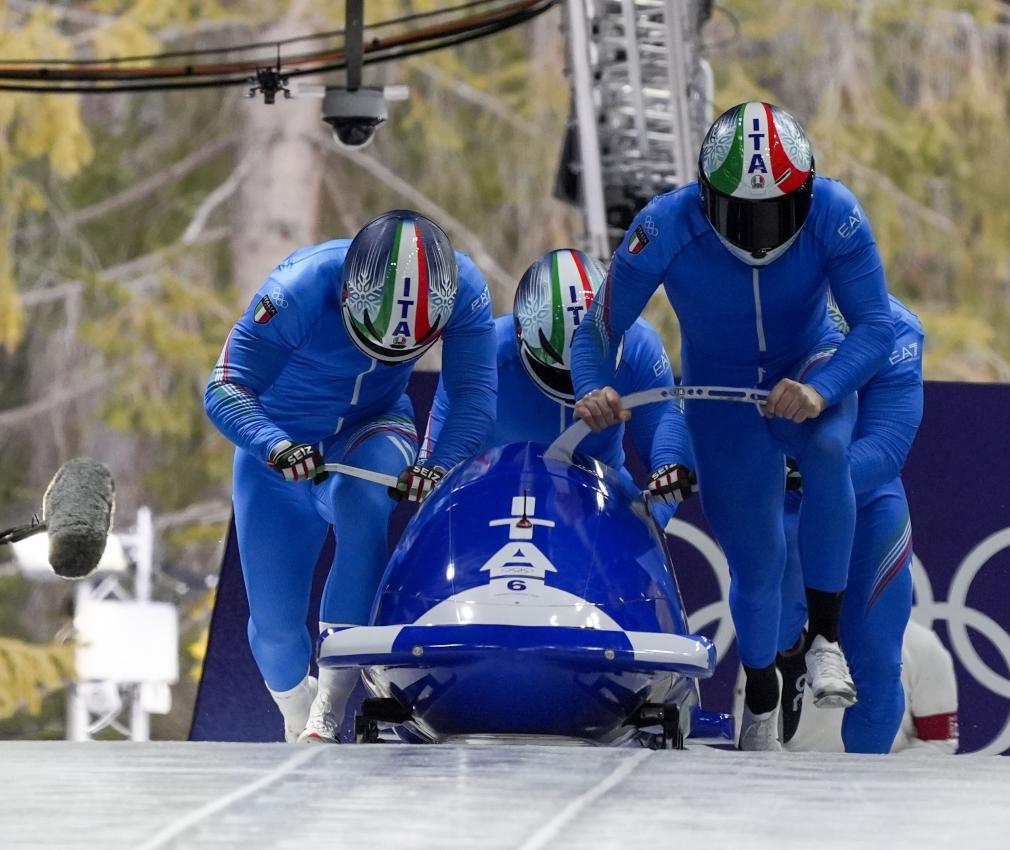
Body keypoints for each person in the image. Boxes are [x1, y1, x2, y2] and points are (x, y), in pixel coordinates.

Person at [571, 101, 895, 750]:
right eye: (741, 215)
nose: (759, 235)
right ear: (706, 199)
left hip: (807, 365)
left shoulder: (836, 212)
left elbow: (875, 329)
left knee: (829, 446)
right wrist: (593, 387)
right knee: (758, 560)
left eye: (776, 213)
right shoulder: (664, 224)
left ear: (805, 195)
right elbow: (599, 327)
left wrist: (820, 389)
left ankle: (826, 639)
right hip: (720, 395)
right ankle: (764, 690)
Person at [204, 210, 497, 744]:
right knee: (275, 631)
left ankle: (331, 706)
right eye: (369, 340)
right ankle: (298, 710)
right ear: (345, 297)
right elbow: (224, 386)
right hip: (280, 442)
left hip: (375, 424)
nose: (382, 356)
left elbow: (473, 395)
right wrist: (272, 443)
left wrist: (439, 461)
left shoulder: (463, 288)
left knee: (362, 500)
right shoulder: (298, 286)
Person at [422, 248, 695, 523]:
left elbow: (667, 464)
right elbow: (437, 459)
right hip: (492, 484)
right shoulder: (485, 352)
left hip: (597, 487)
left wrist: (651, 522)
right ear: (521, 338)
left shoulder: (642, 349)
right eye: (561, 375)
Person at [776, 294, 925, 753]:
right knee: (773, 622)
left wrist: (816, 473)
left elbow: (887, 446)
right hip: (787, 496)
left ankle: (864, 786)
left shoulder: (899, 327)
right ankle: (789, 652)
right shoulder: (771, 305)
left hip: (867, 497)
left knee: (879, 664)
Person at [784, 621, 960, 755]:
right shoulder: (781, 637)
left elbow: (938, 743)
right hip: (795, 784)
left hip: (885, 784)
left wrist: (881, 776)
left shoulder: (922, 643)